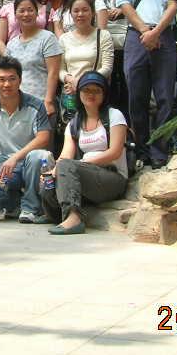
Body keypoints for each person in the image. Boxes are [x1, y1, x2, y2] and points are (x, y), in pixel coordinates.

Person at [116, 0, 177, 168]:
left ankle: (159, 150)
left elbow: (173, 5)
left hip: (164, 35)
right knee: (137, 95)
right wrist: (145, 31)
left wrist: (155, 33)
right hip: (136, 36)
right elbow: (124, 4)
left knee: (165, 96)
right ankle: (142, 149)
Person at [41, 71, 128, 235]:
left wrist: (82, 163)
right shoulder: (74, 123)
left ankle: (74, 218)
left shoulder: (114, 115)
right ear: (79, 93)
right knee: (49, 174)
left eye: (97, 91)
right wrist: (53, 172)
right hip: (86, 175)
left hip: (112, 177)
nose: (91, 94)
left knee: (66, 166)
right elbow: (65, 155)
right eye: (86, 90)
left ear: (104, 94)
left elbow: (115, 152)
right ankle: (54, 215)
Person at [0, 56, 53, 222]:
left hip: (32, 162)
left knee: (39, 156)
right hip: (6, 166)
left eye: (12, 79)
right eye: (1, 79)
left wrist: (16, 157)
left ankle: (30, 208)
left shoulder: (36, 105)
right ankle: (15, 205)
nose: (7, 84)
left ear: (20, 80)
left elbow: (43, 138)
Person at [5, 0, 62, 125]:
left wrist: (48, 101)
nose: (26, 14)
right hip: (17, 104)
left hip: (41, 103)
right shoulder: (11, 44)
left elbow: (53, 72)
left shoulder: (48, 38)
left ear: (37, 13)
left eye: (30, 10)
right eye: (21, 10)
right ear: (15, 15)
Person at [93, 0, 132, 113]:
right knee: (109, 71)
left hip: (125, 27)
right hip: (106, 27)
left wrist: (122, 9)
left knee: (125, 75)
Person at [59, 0, 115, 110]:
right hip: (71, 93)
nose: (80, 14)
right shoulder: (64, 38)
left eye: (85, 10)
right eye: (76, 11)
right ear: (70, 14)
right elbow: (60, 69)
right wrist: (71, 80)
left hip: (95, 91)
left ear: (93, 13)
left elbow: (107, 67)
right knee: (72, 121)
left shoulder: (103, 35)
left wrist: (83, 82)